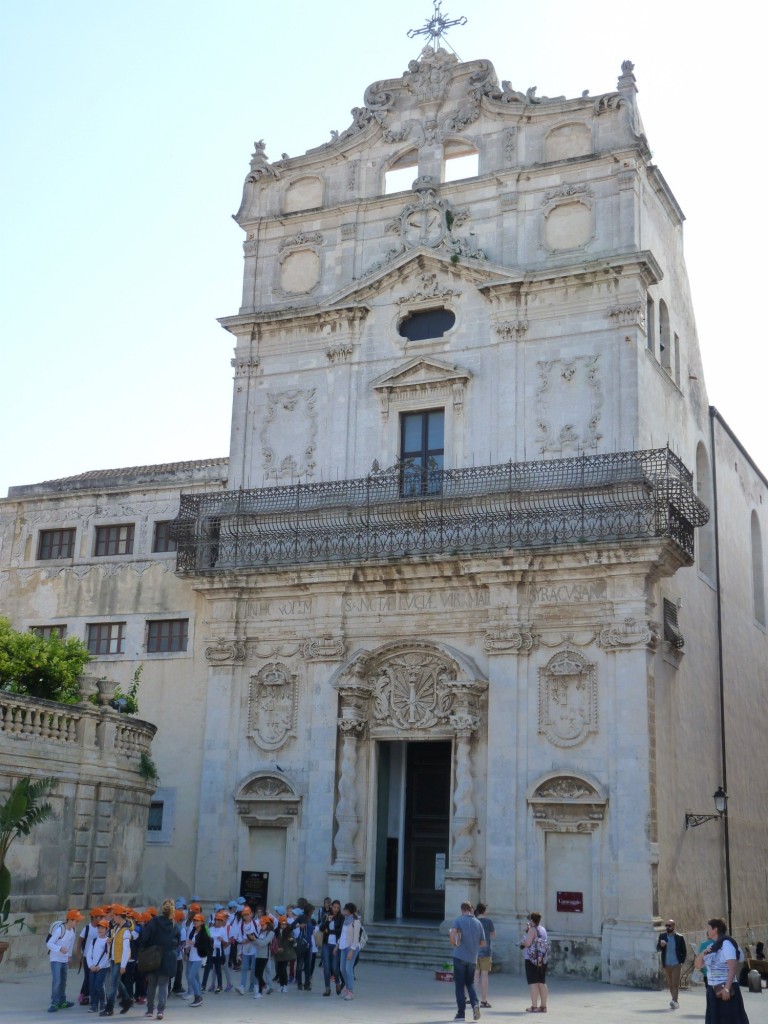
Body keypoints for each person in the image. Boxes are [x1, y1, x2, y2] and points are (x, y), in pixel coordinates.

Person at [694, 918, 750, 1024]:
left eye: (709, 929)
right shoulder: (712, 947)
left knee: (730, 1020)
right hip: (713, 989)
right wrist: (702, 954)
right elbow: (697, 965)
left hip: (726, 988)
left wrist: (727, 988)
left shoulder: (727, 944)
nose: (707, 931)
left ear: (715, 930)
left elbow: (732, 967)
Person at [138, 897, 181, 1021]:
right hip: (168, 957)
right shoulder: (174, 925)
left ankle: (150, 1009)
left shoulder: (154, 921)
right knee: (163, 985)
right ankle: (161, 1011)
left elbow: (145, 937)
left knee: (151, 984)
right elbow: (177, 942)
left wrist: (143, 950)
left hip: (153, 956)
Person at [449, 901, 486, 1021]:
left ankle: (461, 1013)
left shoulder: (459, 920)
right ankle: (475, 1004)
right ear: (471, 909)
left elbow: (453, 934)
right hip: (472, 958)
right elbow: (483, 943)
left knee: (460, 985)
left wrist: (454, 943)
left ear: (462, 910)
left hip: (459, 956)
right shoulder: (478, 923)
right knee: (470, 983)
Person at [47, 908, 83, 1013]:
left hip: (64, 959)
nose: (77, 922)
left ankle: (62, 1001)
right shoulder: (60, 930)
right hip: (55, 959)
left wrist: (69, 956)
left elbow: (71, 943)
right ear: (70, 920)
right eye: (76, 920)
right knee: (57, 981)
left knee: (63, 981)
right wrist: (59, 949)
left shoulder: (73, 930)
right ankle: (54, 1003)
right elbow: (49, 943)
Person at [522, 911, 549, 1013]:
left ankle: (534, 1007)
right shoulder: (543, 929)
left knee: (533, 983)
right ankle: (543, 1006)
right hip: (542, 959)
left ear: (531, 920)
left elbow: (528, 943)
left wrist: (522, 942)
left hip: (531, 959)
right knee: (542, 982)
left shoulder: (532, 930)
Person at [658, 918, 687, 1010]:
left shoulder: (679, 937)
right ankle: (674, 1000)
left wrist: (681, 962)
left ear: (673, 926)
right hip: (667, 964)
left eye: (669, 925)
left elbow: (684, 951)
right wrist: (661, 945)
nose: (667, 927)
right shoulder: (662, 936)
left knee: (675, 983)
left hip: (676, 964)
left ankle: (675, 1000)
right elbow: (658, 948)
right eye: (666, 925)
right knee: (670, 984)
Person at [338, 902, 362, 1001]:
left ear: (349, 910)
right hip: (343, 946)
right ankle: (347, 988)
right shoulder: (345, 921)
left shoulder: (356, 922)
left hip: (352, 947)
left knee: (348, 969)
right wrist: (337, 945)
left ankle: (350, 991)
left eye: (345, 909)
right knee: (342, 968)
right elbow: (343, 935)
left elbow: (356, 938)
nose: (344, 910)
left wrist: (352, 951)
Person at [474, 903, 496, 1008]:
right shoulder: (489, 921)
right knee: (484, 976)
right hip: (486, 951)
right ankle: (484, 1000)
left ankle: (472, 999)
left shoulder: (474, 921)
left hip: (474, 951)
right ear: (484, 911)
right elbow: (493, 935)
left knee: (475, 975)